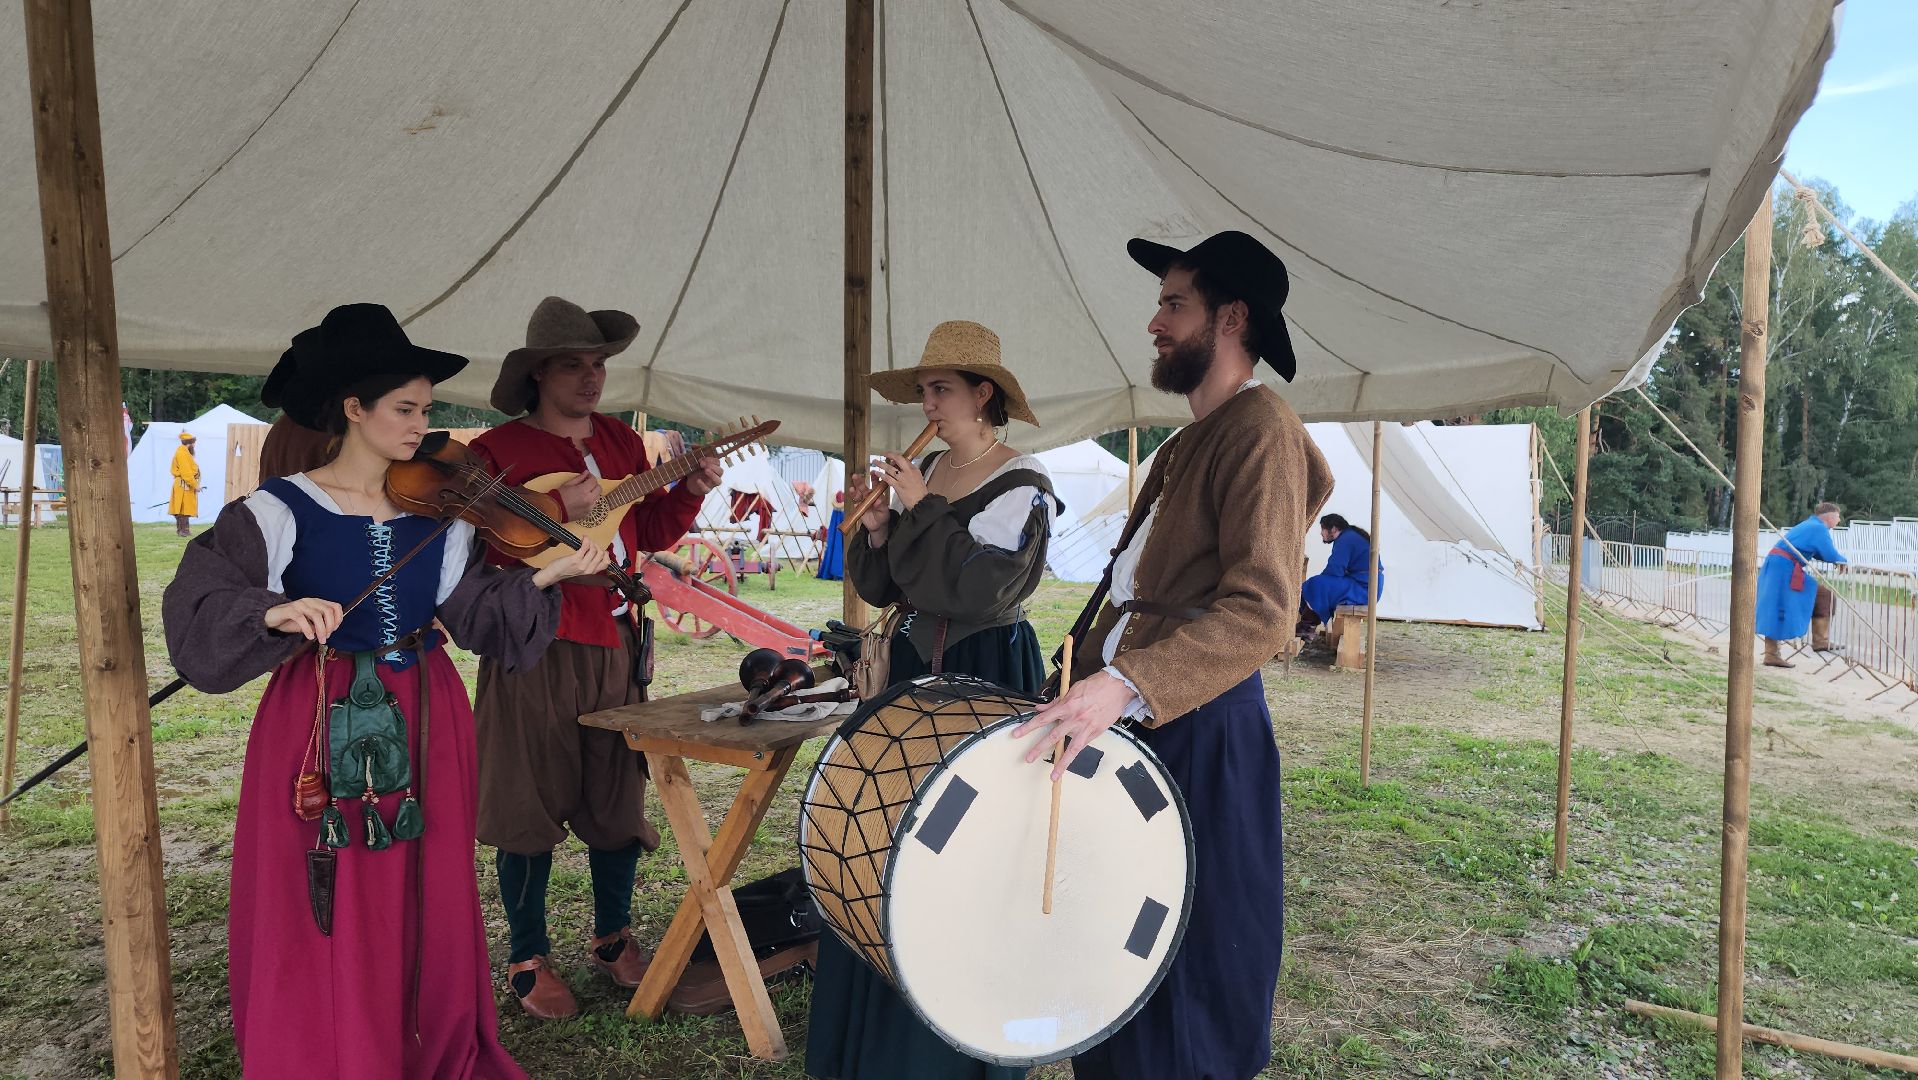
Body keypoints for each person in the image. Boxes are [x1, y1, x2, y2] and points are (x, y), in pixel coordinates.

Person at [161, 302, 611, 1079]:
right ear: (354, 409)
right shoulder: (276, 510)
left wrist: (548, 575)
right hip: (316, 716)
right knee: (324, 883)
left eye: (426, 410)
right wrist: (271, 610)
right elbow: (199, 599)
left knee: (424, 880)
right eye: (405, 409)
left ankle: (418, 1041)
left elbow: (471, 612)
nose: (423, 426)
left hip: (426, 708)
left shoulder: (442, 515)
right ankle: (328, 1050)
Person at [1014, 231, 1333, 1080]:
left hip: (1202, 728)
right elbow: (1136, 589)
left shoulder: (1261, 429)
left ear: (1231, 319)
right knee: (1118, 936)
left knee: (1187, 950)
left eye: (1174, 304)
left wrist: (1124, 684)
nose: (1154, 323)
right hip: (1146, 720)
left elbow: (1264, 611)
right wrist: (1080, 676)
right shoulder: (1194, 438)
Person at [808, 319, 1059, 1080]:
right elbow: (890, 587)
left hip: (985, 668)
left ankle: (957, 1036)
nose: (927, 405)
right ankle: (880, 1036)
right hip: (915, 667)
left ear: (983, 395)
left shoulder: (1023, 483)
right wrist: (882, 529)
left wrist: (919, 511)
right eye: (922, 391)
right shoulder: (929, 470)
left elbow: (981, 588)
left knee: (966, 842)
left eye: (940, 389)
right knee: (893, 835)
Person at [467, 296, 724, 1019]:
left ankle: (613, 938)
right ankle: (527, 955)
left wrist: (690, 491)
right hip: (536, 642)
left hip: (614, 641)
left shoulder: (619, 441)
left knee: (617, 794)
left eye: (598, 365)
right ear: (538, 373)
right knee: (527, 797)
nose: (591, 378)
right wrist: (556, 515)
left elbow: (646, 530)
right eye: (572, 365)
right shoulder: (496, 453)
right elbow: (483, 547)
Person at [1757, 501, 1848, 667]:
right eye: (1837, 516)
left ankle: (1775, 653)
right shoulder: (1819, 528)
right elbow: (1829, 553)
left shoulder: (1811, 525)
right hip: (1784, 568)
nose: (1839, 520)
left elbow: (1817, 552)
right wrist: (1841, 560)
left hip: (1780, 565)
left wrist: (1835, 560)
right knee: (1782, 606)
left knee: (1778, 606)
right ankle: (1817, 641)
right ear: (1829, 517)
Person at [1297, 512, 1384, 638]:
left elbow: (1335, 569)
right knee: (1315, 584)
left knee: (1316, 584)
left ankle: (1307, 627)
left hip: (1365, 588)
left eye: (1322, 528)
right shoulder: (1349, 536)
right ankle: (1307, 625)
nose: (1321, 533)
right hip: (1365, 585)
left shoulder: (1346, 539)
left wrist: (1319, 581)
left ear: (1333, 529)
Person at [169, 431, 201, 536]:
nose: (194, 445)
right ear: (189, 443)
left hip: (184, 484)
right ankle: (182, 530)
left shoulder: (184, 453)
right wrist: (195, 485)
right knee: (182, 508)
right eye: (193, 443)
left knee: (184, 507)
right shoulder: (182, 454)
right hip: (183, 485)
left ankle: (184, 530)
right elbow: (186, 473)